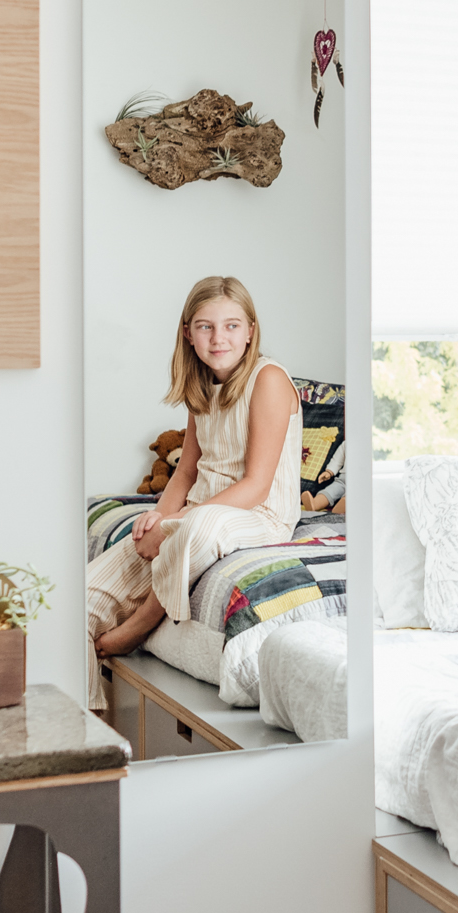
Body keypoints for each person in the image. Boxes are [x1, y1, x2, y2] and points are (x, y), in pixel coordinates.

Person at [88, 276, 302, 660]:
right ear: (188, 334)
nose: (218, 338)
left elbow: (256, 485)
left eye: (231, 325)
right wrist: (157, 519)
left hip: (260, 515)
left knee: (200, 525)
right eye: (206, 327)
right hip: (199, 511)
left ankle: (143, 621)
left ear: (250, 332)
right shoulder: (201, 385)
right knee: (77, 609)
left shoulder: (268, 379)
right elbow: (186, 472)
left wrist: (174, 523)